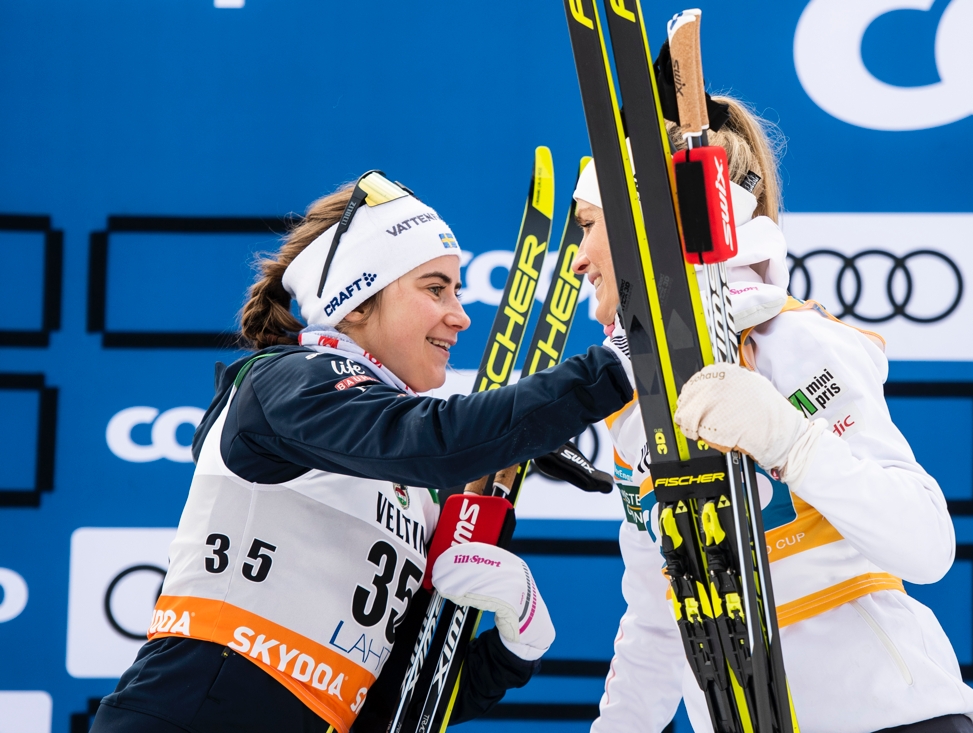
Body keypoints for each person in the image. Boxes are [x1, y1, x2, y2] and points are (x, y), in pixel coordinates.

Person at [90, 171, 633, 733]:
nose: (461, 315)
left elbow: (405, 699)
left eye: (458, 291)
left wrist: (516, 646)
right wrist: (616, 366)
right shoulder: (286, 381)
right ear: (354, 303)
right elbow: (434, 441)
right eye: (435, 288)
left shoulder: (416, 490)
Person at [572, 95, 973, 733]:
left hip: (894, 719)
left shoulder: (792, 339)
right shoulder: (630, 399)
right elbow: (661, 615)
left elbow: (927, 545)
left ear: (641, 222)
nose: (577, 257)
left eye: (588, 226)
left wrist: (793, 443)